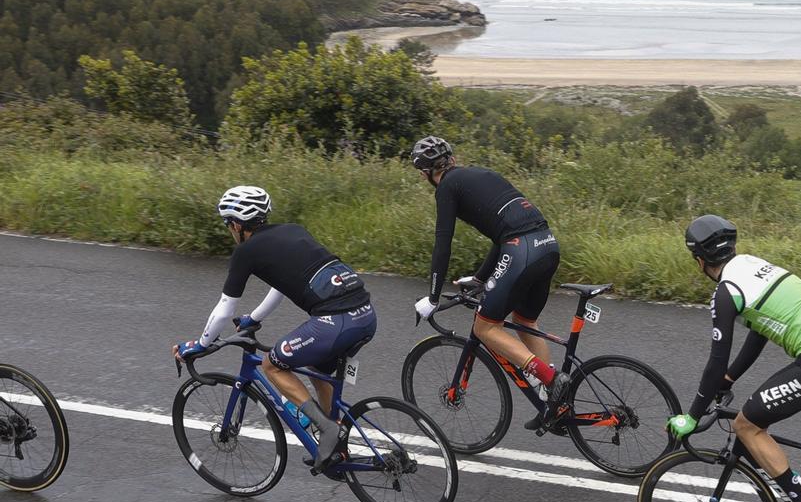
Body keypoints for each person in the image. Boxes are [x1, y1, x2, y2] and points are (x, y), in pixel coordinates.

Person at [677, 215, 801, 502]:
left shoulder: (726, 290)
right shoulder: (751, 264)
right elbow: (759, 331)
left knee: (746, 425)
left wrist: (692, 416)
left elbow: (716, 359)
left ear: (698, 261)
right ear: (732, 247)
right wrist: (730, 379)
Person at [174, 186, 376, 473]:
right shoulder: (293, 230)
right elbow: (279, 286)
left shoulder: (246, 251)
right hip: (365, 314)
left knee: (272, 365)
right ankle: (336, 445)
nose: (228, 230)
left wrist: (200, 345)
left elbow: (224, 308)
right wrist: (253, 318)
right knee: (319, 369)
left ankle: (327, 429)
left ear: (236, 224)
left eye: (227, 224)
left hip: (335, 321)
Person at [408, 136, 565, 420]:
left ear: (425, 173)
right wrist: (481, 279)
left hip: (521, 250)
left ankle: (549, 378)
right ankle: (555, 404)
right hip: (547, 245)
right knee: (524, 320)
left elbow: (443, 243)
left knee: (485, 328)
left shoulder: (446, 187)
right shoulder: (481, 173)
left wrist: (433, 297)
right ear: (452, 159)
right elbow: (500, 234)